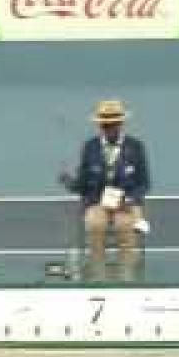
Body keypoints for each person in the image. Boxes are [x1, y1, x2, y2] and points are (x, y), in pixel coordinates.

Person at [59, 99, 151, 282]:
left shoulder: (136, 147)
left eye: (113, 124)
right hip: (97, 203)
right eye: (105, 125)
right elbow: (83, 184)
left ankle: (126, 277)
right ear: (100, 125)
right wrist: (69, 182)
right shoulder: (90, 147)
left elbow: (144, 184)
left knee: (125, 226)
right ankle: (98, 278)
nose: (109, 128)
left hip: (126, 203)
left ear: (121, 124)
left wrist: (131, 199)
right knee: (95, 224)